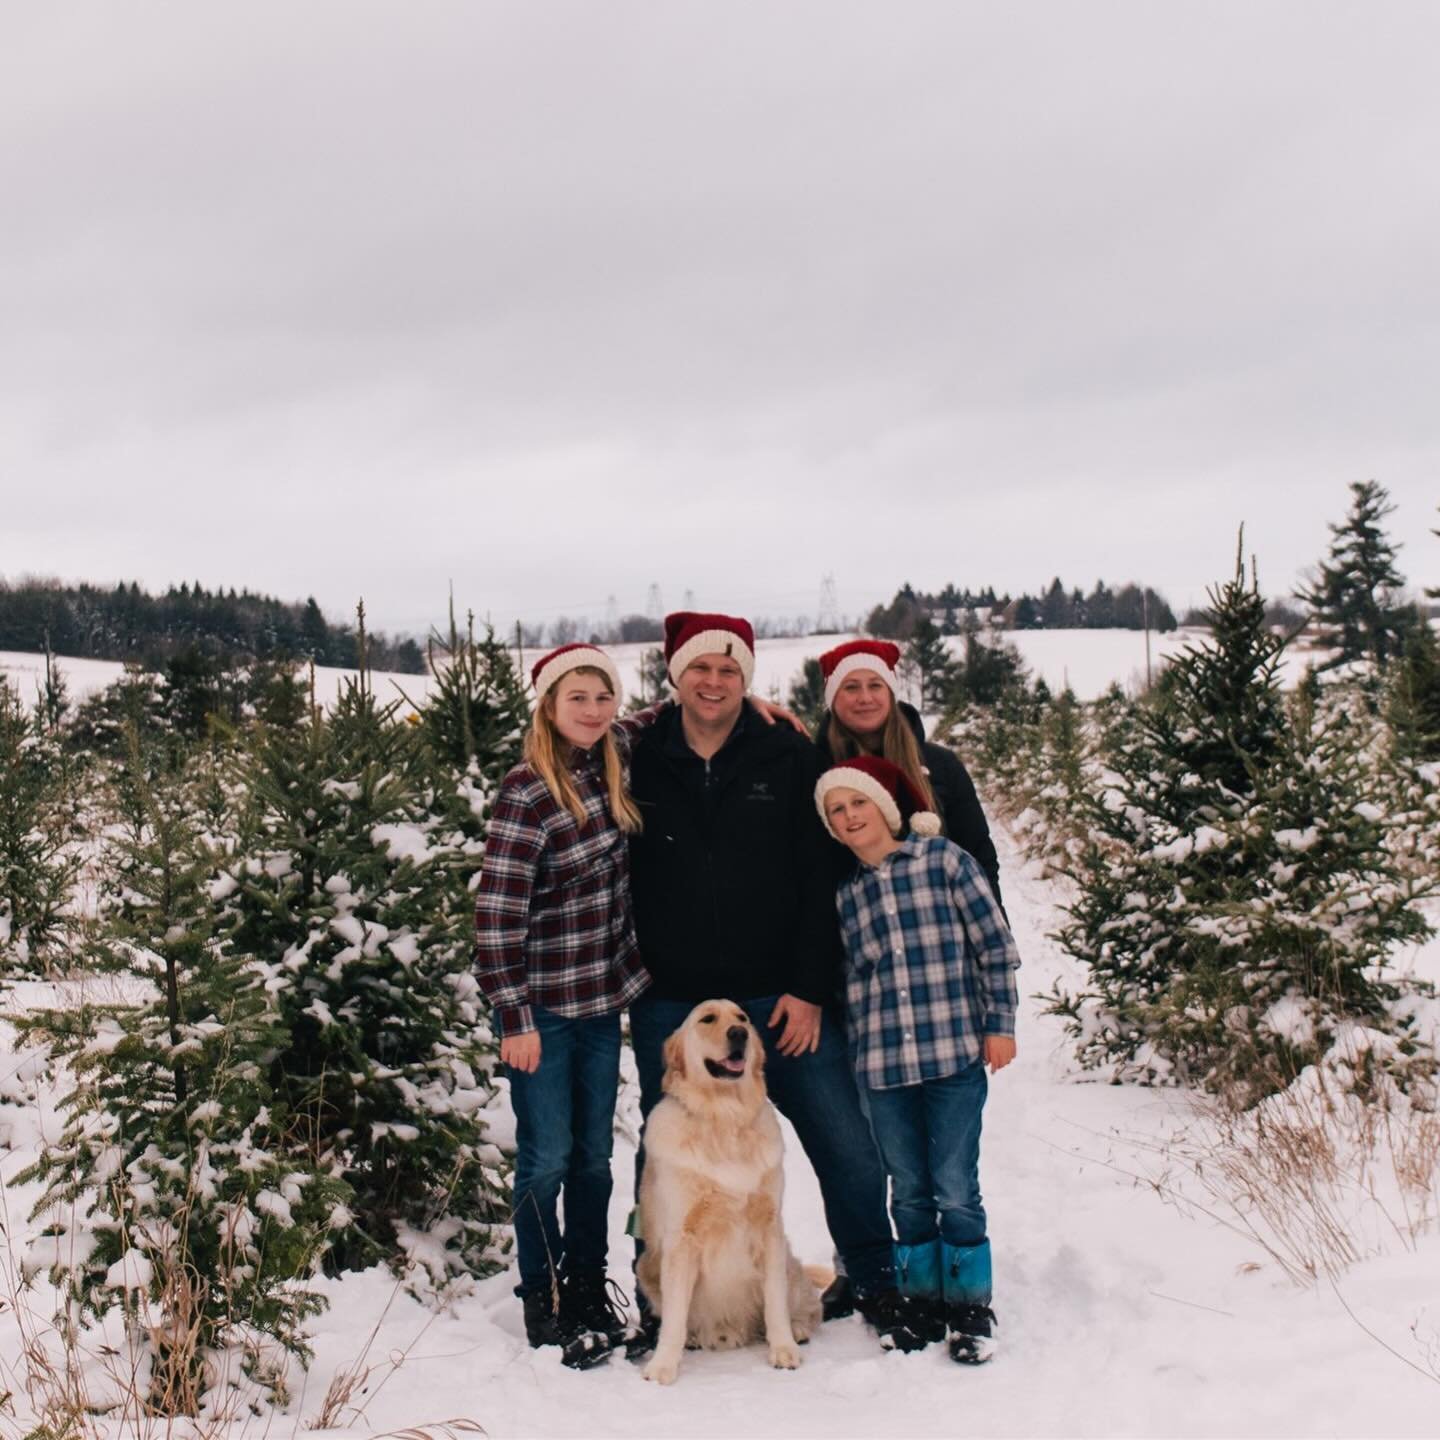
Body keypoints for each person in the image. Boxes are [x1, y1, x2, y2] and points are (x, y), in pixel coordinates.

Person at [625, 611, 929, 1354]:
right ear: (675, 675)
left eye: (730, 671)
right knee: (661, 1158)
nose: (715, 682)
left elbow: (817, 875)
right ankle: (658, 1301)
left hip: (777, 999)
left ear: (748, 680)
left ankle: (875, 1277)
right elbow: (575, 717)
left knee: (845, 1143)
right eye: (700, 668)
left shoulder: (784, 755)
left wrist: (808, 987)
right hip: (676, 1001)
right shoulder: (638, 751)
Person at [473, 642, 650, 1368]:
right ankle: (542, 1298)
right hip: (541, 1009)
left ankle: (586, 1288)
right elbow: (496, 915)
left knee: (595, 1158)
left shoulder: (614, 761)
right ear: (548, 705)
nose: (593, 710)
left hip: (601, 1003)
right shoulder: (527, 790)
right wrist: (513, 1017)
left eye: (603, 697)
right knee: (545, 1159)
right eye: (577, 698)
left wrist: (760, 706)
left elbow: (669, 713)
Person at [815, 753, 1020, 1364]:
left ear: (885, 806)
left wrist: (999, 1025)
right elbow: (853, 982)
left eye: (858, 803)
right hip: (883, 1067)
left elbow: (994, 947)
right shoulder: (847, 895)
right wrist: (855, 1055)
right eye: (836, 810)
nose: (851, 816)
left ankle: (970, 1307)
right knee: (906, 1190)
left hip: (953, 1054)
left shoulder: (945, 863)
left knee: (955, 1185)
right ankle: (923, 1301)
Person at [815, 639, 1003, 910]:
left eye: (876, 685)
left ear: (891, 694)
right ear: (832, 698)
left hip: (940, 934)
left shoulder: (941, 765)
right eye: (851, 687)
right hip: (856, 937)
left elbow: (979, 856)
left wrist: (992, 934)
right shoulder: (814, 770)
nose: (865, 698)